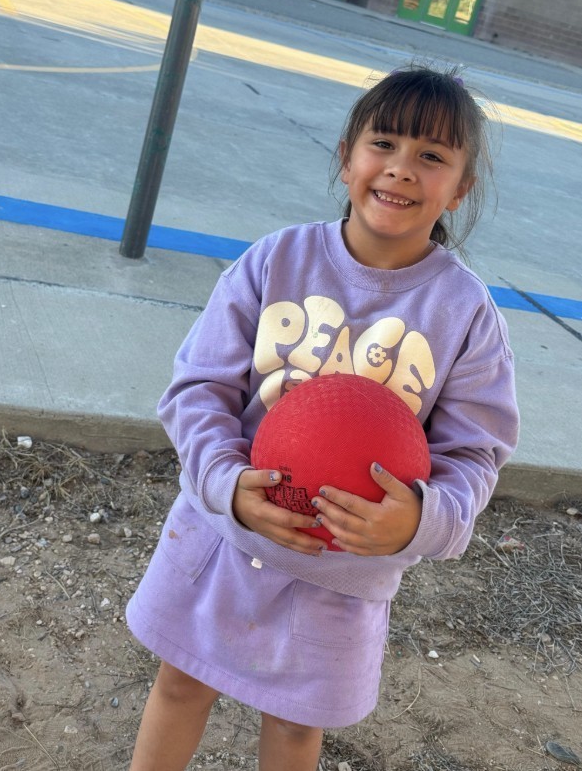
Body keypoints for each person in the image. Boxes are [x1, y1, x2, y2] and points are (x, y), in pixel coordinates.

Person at [125, 64, 520, 771]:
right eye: (384, 144)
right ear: (346, 157)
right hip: (221, 539)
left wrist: (422, 518)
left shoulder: (463, 313)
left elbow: (475, 453)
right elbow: (197, 390)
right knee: (180, 683)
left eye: (430, 157)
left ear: (459, 188)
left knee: (296, 726)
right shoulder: (275, 260)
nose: (400, 170)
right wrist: (225, 483)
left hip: (341, 574)